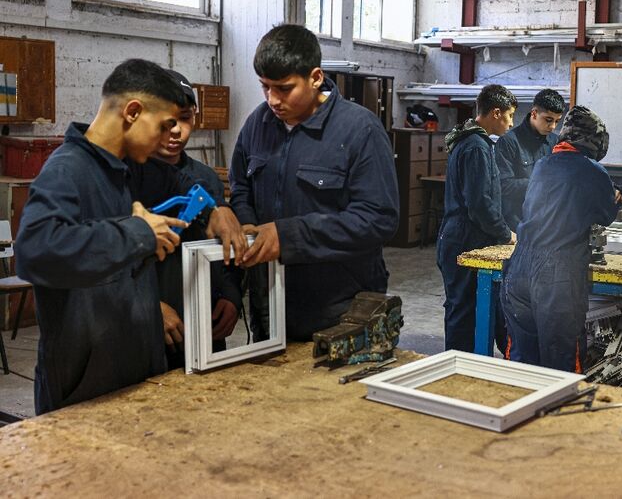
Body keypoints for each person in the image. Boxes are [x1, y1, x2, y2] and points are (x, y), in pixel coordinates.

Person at [16, 59, 192, 414]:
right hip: (84, 390)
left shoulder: (119, 172)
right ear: (132, 111)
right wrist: (136, 232)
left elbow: (102, 250)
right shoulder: (68, 169)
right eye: (161, 126)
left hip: (127, 378)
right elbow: (35, 251)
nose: (165, 139)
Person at [230, 24, 399, 341]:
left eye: (284, 88)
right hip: (270, 306)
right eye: (265, 87)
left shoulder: (358, 130)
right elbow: (240, 188)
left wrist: (287, 236)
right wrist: (249, 226)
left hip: (340, 312)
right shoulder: (257, 124)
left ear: (316, 77)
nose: (272, 100)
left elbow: (378, 219)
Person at [501, 105, 620, 372]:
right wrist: (615, 198)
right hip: (556, 276)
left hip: (518, 268)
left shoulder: (543, 164)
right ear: (595, 143)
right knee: (560, 362)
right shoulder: (593, 171)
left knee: (522, 361)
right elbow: (606, 215)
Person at [151, 70, 243, 369]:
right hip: (152, 333)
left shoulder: (206, 179)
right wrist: (149, 307)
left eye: (185, 118)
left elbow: (225, 247)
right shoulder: (127, 180)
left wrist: (231, 296)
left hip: (206, 325)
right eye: (166, 121)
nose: (176, 131)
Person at [437, 84, 517, 353]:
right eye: (510, 115)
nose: (511, 123)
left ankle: (466, 364)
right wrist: (506, 234)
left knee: (468, 307)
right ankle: (457, 370)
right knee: (463, 311)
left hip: (461, 235)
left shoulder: (471, 141)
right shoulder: (476, 147)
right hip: (464, 238)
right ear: (496, 113)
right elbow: (480, 204)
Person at [495, 89, 565, 231]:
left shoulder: (555, 141)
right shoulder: (508, 142)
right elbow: (503, 186)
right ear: (534, 113)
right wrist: (540, 183)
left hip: (547, 224)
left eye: (557, 121)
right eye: (548, 120)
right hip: (517, 225)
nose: (552, 127)